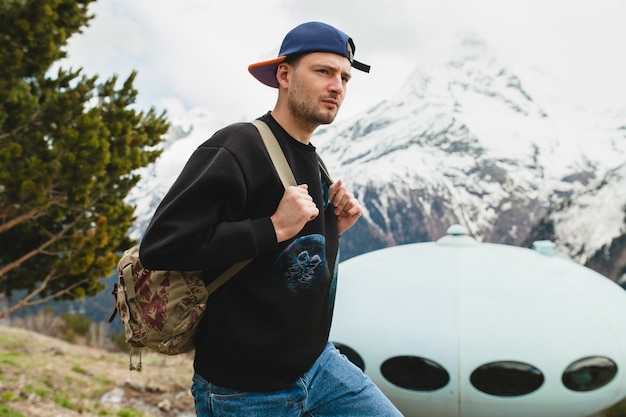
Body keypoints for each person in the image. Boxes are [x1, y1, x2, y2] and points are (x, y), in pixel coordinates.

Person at [139, 21, 403, 417]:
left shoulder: (312, 157)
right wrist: (274, 227)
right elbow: (162, 245)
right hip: (244, 390)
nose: (338, 86)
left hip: (318, 367)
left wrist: (333, 228)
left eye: (345, 77)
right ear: (284, 74)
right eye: (324, 72)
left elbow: (288, 260)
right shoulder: (237, 146)